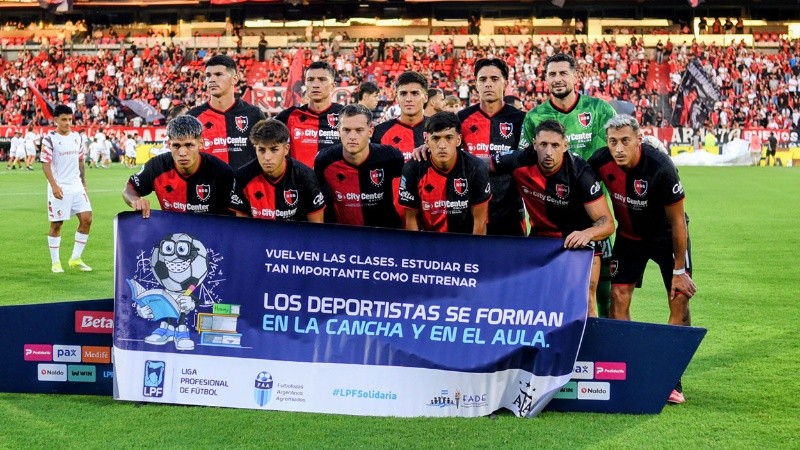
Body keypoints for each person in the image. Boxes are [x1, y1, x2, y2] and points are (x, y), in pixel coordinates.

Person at [588, 115, 697, 405]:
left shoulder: (661, 167)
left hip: (667, 238)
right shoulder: (601, 161)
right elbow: (580, 183)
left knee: (678, 299)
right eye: (613, 141)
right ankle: (625, 368)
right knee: (618, 297)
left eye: (625, 141)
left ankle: (671, 379)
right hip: (630, 237)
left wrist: (678, 270)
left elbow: (677, 223)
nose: (619, 148)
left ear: (639, 139)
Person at [520, 52, 617, 317]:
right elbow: (522, 163)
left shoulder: (600, 110)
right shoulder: (534, 117)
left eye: (564, 73)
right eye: (552, 74)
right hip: (550, 212)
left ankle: (600, 349)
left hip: (595, 209)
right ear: (545, 79)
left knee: (603, 290)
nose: (558, 79)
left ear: (575, 76)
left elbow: (619, 150)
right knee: (549, 290)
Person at [492, 120, 614, 316]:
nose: (548, 152)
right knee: (533, 300)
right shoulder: (519, 161)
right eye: (543, 145)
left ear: (565, 146)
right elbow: (477, 167)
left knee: (585, 300)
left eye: (555, 145)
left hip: (578, 241)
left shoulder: (581, 173)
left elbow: (607, 223)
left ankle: (587, 346)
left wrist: (588, 233)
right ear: (534, 144)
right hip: (541, 239)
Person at [458, 58, 527, 236]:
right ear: (476, 84)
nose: (488, 84)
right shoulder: (461, 119)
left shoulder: (521, 119)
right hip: (469, 211)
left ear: (505, 83)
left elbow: (526, 159)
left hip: (509, 212)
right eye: (483, 79)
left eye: (494, 79)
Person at [122, 114, 235, 218]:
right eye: (176, 146)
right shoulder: (157, 166)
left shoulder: (221, 172)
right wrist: (135, 200)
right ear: (169, 144)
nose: (182, 153)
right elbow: (129, 189)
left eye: (189, 145)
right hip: (173, 235)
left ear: (201, 143)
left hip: (208, 234)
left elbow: (230, 217)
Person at [399, 112, 491, 235]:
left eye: (449, 138)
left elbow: (479, 222)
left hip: (465, 243)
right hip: (429, 244)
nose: (442, 146)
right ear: (426, 141)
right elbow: (411, 220)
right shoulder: (413, 169)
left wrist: (473, 253)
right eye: (436, 138)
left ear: (458, 140)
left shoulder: (476, 168)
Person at [314, 104, 404, 228]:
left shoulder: (391, 157)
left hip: (384, 234)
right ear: (338, 131)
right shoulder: (324, 160)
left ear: (370, 131)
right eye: (346, 130)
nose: (352, 136)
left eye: (359, 130)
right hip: (345, 236)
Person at [231, 119, 325, 222]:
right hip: (258, 237)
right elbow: (242, 228)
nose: (267, 157)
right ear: (255, 149)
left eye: (274, 149)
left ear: (286, 149)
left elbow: (317, 228)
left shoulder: (305, 177)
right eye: (261, 150)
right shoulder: (242, 177)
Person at [188, 54, 266, 170]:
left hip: (245, 187)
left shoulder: (253, 114)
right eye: (208, 75)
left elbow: (265, 153)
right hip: (209, 187)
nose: (212, 80)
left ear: (235, 79)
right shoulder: (193, 117)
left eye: (219, 74)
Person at [41, 105, 92, 273]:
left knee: (87, 219)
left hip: (76, 185)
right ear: (55, 120)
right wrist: (54, 185)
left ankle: (75, 259)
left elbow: (80, 161)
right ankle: (55, 262)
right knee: (57, 224)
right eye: (64, 119)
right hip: (60, 185)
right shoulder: (50, 139)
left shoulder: (77, 137)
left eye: (70, 119)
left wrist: (83, 183)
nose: (68, 123)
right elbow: (45, 164)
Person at [276, 61, 344, 168]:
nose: (315, 85)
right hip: (299, 183)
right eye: (310, 80)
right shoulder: (289, 116)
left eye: (322, 80)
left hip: (334, 183)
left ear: (333, 86)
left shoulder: (345, 115)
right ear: (305, 85)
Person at [372, 71, 429, 161]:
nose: (408, 99)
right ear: (397, 97)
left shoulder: (437, 129)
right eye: (403, 94)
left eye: (415, 93)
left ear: (425, 97)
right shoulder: (381, 131)